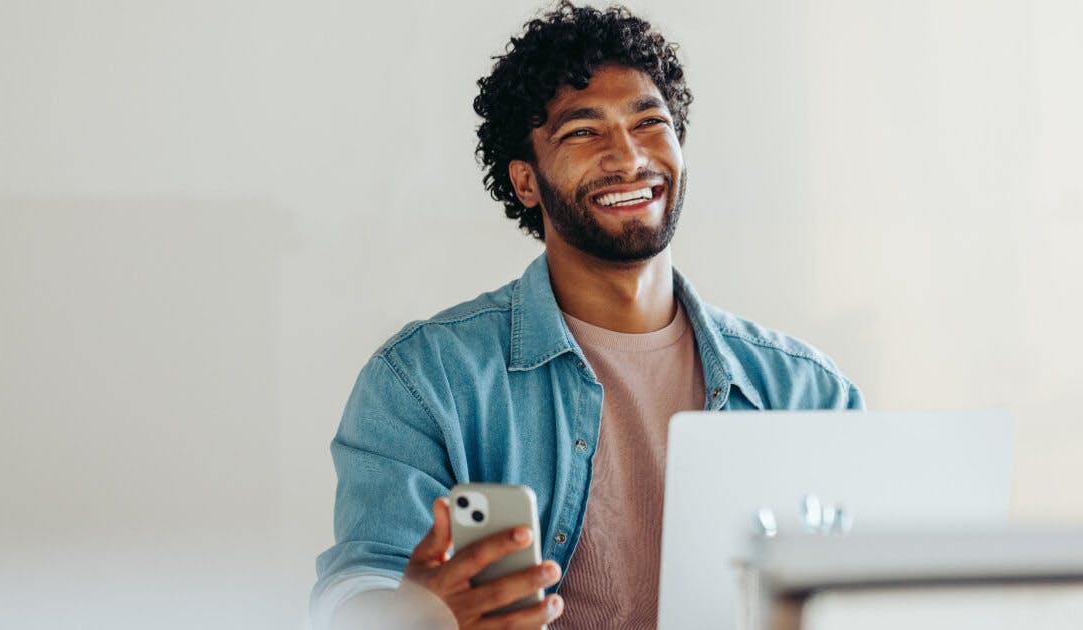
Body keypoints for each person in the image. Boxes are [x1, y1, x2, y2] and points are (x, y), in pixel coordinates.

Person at [311, 3, 863, 628]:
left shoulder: (807, 391)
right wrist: (416, 615)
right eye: (583, 131)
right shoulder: (425, 380)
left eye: (648, 122)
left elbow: (870, 592)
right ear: (526, 181)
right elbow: (357, 586)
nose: (628, 157)